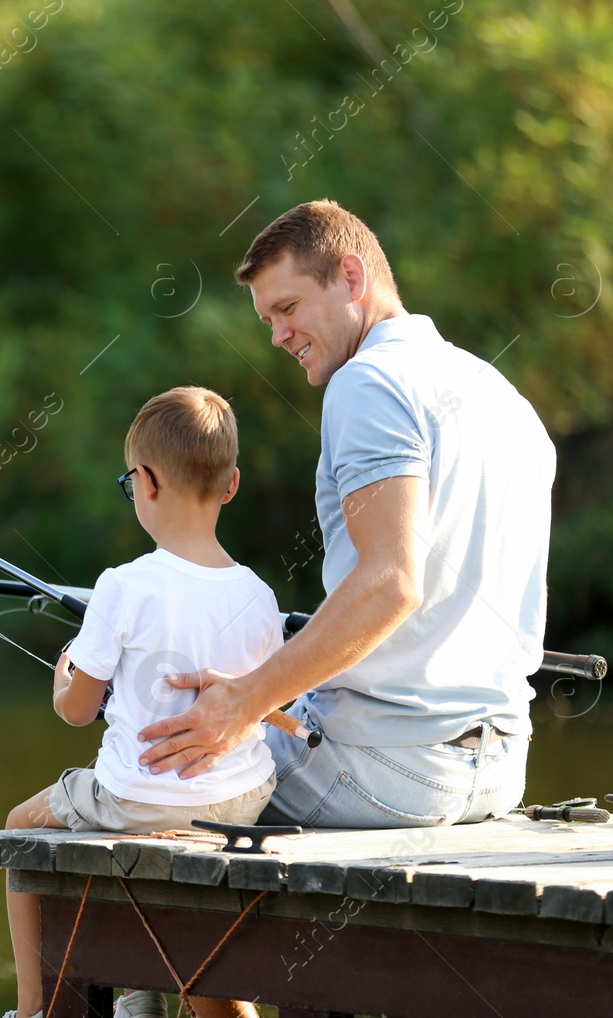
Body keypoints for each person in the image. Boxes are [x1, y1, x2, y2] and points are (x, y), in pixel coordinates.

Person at [138, 199, 557, 828]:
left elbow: (392, 584)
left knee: (141, 772)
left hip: (386, 771)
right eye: (268, 320)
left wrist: (244, 702)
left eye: (287, 308)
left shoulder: (367, 382)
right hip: (502, 770)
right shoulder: (504, 397)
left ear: (352, 279)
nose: (278, 335)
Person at [2, 386, 280, 1018]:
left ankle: (31, 1008)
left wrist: (63, 674)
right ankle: (142, 992)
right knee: (155, 832)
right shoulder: (260, 595)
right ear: (231, 485)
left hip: (137, 798)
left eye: (130, 484)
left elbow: (77, 710)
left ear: (146, 483)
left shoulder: (122, 586)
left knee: (20, 826)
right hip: (241, 801)